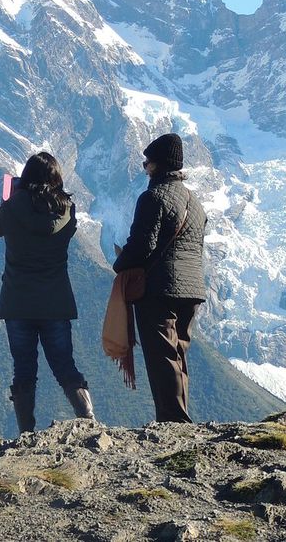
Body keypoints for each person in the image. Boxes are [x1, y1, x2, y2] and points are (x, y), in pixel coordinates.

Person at [0, 151, 94, 434]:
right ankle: (88, 419)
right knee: (64, 365)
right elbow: (65, 229)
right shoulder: (67, 211)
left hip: (18, 302)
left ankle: (26, 433)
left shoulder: (11, 208)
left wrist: (4, 202)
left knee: (23, 369)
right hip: (56, 303)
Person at [113, 133, 207, 423]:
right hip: (192, 288)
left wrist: (120, 264)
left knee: (162, 356)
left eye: (147, 164)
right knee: (178, 353)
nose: (145, 169)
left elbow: (143, 245)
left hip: (160, 288)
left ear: (156, 165)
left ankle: (173, 421)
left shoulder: (153, 197)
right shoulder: (195, 202)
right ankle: (178, 416)